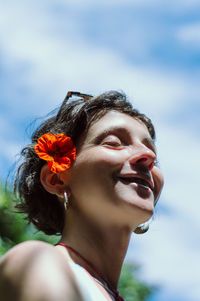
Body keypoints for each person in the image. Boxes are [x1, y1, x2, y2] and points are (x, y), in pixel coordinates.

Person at [0, 91, 164, 301]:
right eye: (113, 142)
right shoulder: (36, 262)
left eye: (154, 155)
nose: (149, 157)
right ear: (56, 179)